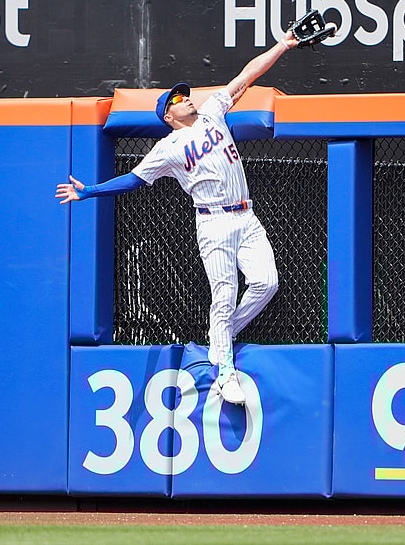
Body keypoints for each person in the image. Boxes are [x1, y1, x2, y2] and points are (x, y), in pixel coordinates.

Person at [56, 30, 302, 405]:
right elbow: (134, 179)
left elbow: (247, 76)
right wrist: (89, 190)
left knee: (266, 284)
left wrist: (282, 46)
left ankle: (221, 340)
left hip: (246, 217)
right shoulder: (167, 147)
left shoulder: (213, 113)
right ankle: (224, 373)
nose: (186, 98)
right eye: (177, 98)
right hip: (214, 223)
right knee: (224, 295)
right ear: (168, 115)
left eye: (185, 94)